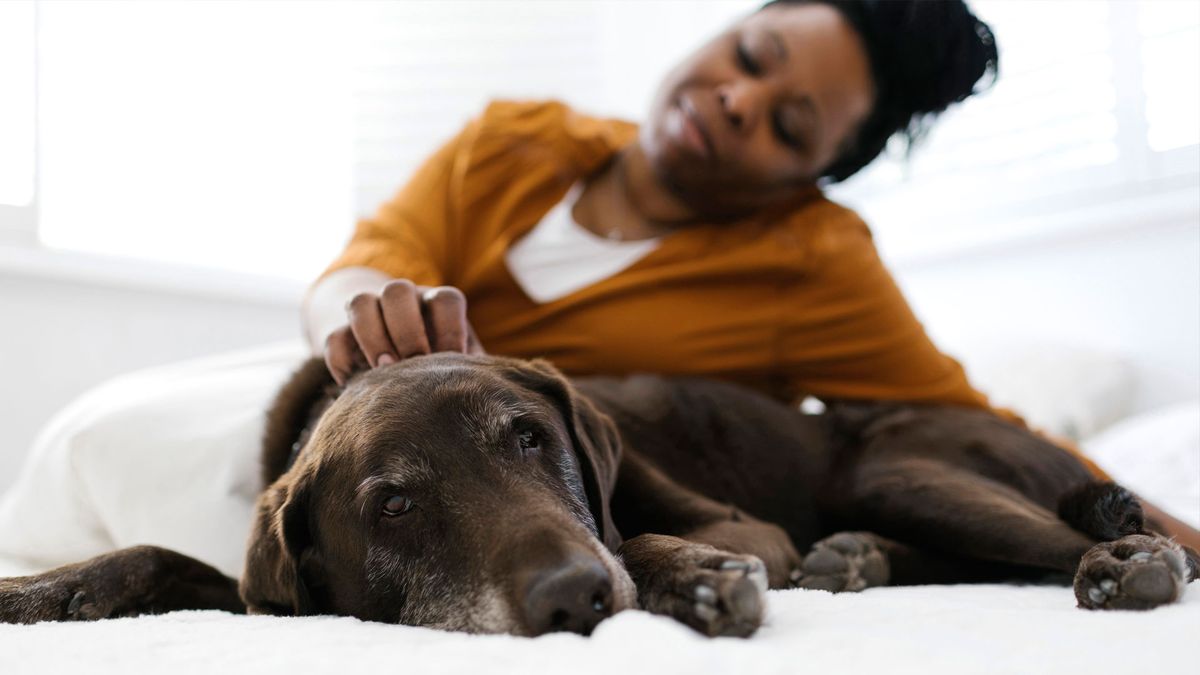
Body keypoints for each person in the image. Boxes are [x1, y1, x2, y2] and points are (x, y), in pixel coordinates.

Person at [303, 0, 1200, 548]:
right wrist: (367, 312)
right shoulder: (511, 143)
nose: (738, 101)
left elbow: (967, 422)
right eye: (751, 57)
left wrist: (1162, 527)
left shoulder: (810, 259)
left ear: (805, 178)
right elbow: (368, 259)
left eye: (787, 126)